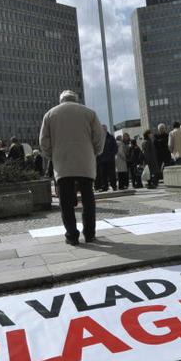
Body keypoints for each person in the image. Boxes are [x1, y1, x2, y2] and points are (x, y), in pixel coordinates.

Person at [39, 90, 105, 245]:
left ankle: (72, 235)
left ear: (61, 100)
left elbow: (43, 141)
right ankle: (89, 234)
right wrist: (95, 152)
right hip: (85, 161)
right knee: (88, 199)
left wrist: (51, 155)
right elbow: (99, 136)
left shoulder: (50, 114)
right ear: (76, 100)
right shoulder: (89, 113)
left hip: (62, 162)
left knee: (65, 202)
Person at [96, 126, 118, 192]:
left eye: (104, 129)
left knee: (112, 174)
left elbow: (115, 147)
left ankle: (114, 186)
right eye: (102, 129)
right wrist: (99, 156)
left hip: (110, 160)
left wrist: (112, 154)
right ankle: (104, 187)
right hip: (102, 160)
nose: (103, 130)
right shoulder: (99, 138)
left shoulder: (111, 137)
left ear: (106, 129)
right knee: (103, 175)